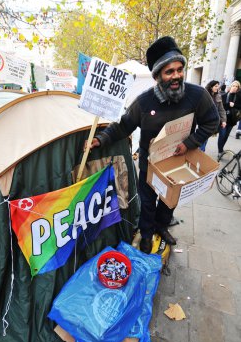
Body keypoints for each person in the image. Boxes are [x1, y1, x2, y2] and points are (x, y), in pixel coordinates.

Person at [89, 36, 219, 254]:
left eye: (179, 69)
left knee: (169, 202)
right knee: (148, 203)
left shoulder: (198, 95)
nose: (176, 76)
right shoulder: (143, 102)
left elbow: (211, 122)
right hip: (150, 166)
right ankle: (147, 234)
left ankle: (162, 227)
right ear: (158, 76)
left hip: (179, 165)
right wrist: (100, 139)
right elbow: (123, 127)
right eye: (169, 72)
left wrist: (190, 143)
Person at [200, 80, 226, 152]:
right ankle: (200, 154)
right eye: (215, 86)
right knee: (204, 139)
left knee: (206, 139)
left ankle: (202, 153)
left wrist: (223, 120)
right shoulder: (205, 95)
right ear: (211, 86)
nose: (217, 88)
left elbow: (221, 110)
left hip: (214, 121)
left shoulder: (218, 96)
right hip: (204, 121)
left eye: (218, 86)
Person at [218, 80, 241, 158]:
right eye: (233, 86)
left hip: (232, 120)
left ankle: (221, 150)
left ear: (238, 88)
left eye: (236, 86)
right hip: (224, 120)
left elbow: (239, 106)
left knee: (226, 136)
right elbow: (221, 107)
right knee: (222, 135)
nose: (234, 87)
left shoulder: (238, 97)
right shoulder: (224, 96)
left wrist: (234, 105)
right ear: (231, 86)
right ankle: (220, 151)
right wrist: (228, 104)